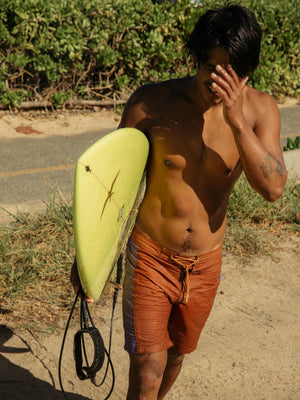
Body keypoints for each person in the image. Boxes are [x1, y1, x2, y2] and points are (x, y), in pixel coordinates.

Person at [71, 4, 287, 399]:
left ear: (248, 71)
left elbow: (273, 189)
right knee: (148, 363)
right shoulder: (150, 104)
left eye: (230, 73)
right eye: (210, 68)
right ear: (195, 60)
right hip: (151, 254)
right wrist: (88, 256)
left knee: (174, 358)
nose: (217, 81)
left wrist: (237, 119)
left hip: (205, 264)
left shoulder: (261, 111)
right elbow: (111, 184)